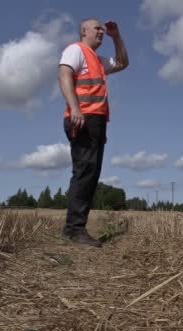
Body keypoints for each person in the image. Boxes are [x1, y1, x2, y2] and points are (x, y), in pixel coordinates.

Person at [58, 18, 129, 247]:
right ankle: (74, 230)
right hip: (83, 118)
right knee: (84, 171)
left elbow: (122, 62)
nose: (101, 31)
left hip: (96, 122)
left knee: (91, 173)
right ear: (84, 31)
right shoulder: (75, 50)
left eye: (102, 29)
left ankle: (77, 228)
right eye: (97, 28)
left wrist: (116, 36)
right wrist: (75, 108)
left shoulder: (97, 61)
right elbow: (64, 75)